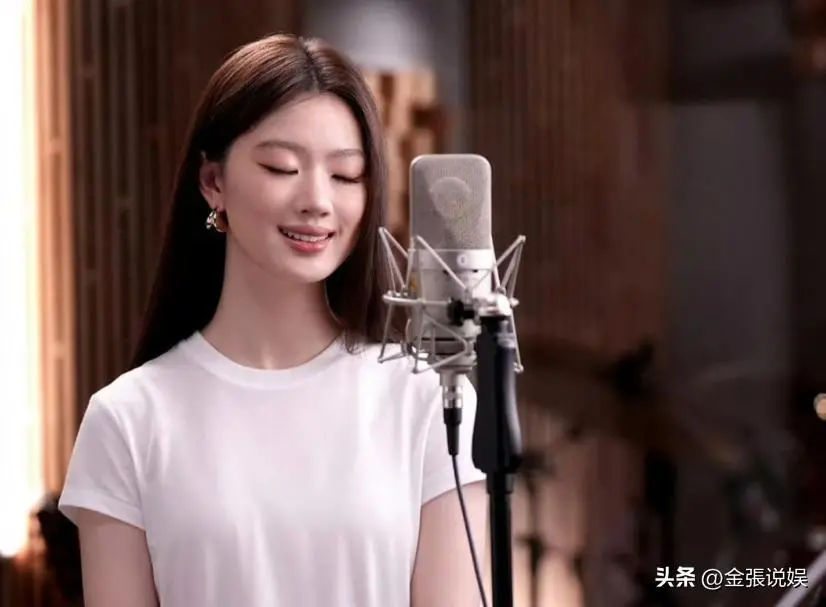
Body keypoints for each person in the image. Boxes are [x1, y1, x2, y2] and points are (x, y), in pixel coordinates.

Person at [58, 33, 488, 607]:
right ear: (213, 182)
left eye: (345, 175)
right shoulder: (129, 420)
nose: (317, 200)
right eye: (282, 167)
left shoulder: (427, 403)